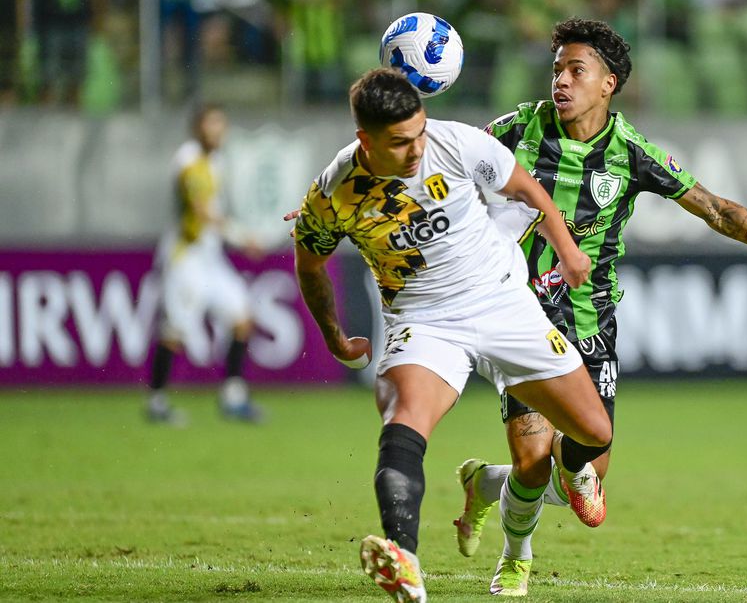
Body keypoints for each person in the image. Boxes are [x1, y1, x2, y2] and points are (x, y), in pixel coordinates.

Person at [450, 18, 747, 595]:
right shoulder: (516, 129)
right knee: (536, 458)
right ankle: (516, 560)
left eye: (576, 70)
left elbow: (715, 209)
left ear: (608, 83)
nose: (561, 82)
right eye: (557, 70)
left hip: (592, 321)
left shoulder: (631, 153)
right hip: (520, 317)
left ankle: (487, 484)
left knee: (583, 472)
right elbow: (444, 166)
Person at [292, 67, 615, 601]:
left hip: (504, 303)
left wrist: (568, 250)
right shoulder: (334, 192)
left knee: (595, 433)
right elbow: (309, 264)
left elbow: (529, 191)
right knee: (404, 422)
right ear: (364, 140)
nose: (417, 149)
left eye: (419, 132)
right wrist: (333, 336)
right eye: (400, 142)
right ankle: (405, 562)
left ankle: (490, 482)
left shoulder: (455, 142)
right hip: (424, 322)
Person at [146, 105, 264, 426]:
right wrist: (241, 237)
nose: (218, 132)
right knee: (175, 332)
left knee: (242, 318)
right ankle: (157, 402)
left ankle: (233, 398)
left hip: (211, 257)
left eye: (221, 125)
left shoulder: (215, 161)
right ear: (198, 128)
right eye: (212, 125)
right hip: (186, 257)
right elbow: (200, 210)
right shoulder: (189, 161)